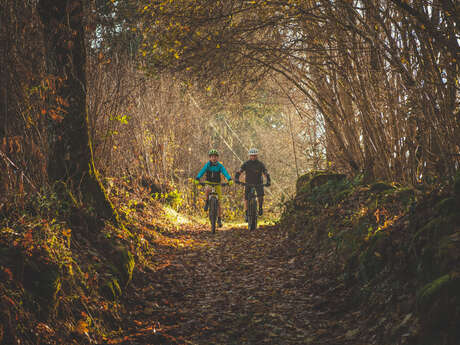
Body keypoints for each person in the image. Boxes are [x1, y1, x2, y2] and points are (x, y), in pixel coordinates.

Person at [194, 149, 233, 227]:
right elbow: (202, 171)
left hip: (217, 183)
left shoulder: (220, 166)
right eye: (212, 157)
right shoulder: (208, 165)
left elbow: (225, 172)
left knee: (219, 203)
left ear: (217, 158)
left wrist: (229, 179)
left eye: (215, 157)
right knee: (207, 188)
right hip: (209, 182)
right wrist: (198, 178)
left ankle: (219, 219)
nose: (213, 158)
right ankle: (207, 201)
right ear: (210, 158)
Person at [235, 148, 271, 220]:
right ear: (249, 156)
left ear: (257, 156)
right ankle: (246, 213)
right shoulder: (246, 164)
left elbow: (265, 172)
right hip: (248, 183)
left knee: (260, 197)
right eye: (252, 156)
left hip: (258, 183)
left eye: (254, 156)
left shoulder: (260, 164)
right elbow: (240, 171)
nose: (253, 157)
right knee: (246, 198)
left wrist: (268, 180)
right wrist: (237, 178)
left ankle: (260, 208)